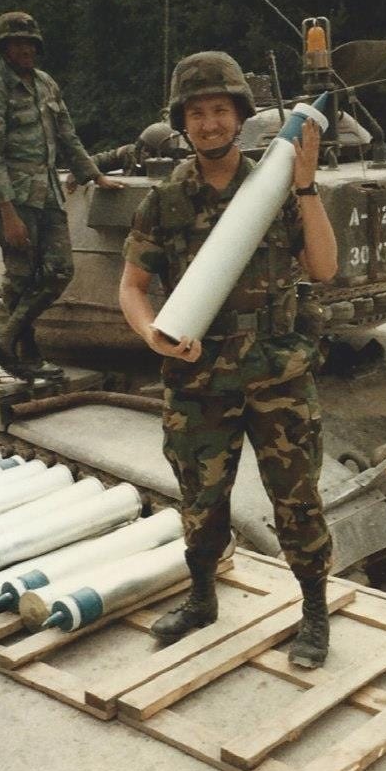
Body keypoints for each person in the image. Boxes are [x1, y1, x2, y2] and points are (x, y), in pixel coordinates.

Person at [119, 51, 337, 668]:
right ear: (182, 123)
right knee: (200, 498)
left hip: (278, 374)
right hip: (198, 378)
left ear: (240, 116)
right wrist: (152, 335)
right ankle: (202, 598)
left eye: (220, 110)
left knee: (297, 498)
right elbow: (132, 288)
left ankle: (315, 613)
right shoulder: (165, 201)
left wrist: (306, 185)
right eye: (197, 113)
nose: (209, 123)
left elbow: (324, 267)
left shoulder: (278, 187)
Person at [0, 11, 123, 380]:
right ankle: (27, 354)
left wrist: (95, 175)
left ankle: (5, 340)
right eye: (16, 43)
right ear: (3, 48)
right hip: (13, 198)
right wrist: (7, 213)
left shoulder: (46, 84)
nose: (25, 49)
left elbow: (68, 136)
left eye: (30, 43)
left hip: (49, 194)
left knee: (59, 271)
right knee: (22, 278)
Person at [64, 121, 189, 192]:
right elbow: (99, 160)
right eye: (143, 149)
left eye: (149, 152)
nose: (144, 154)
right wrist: (79, 171)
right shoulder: (128, 153)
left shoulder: (177, 169)